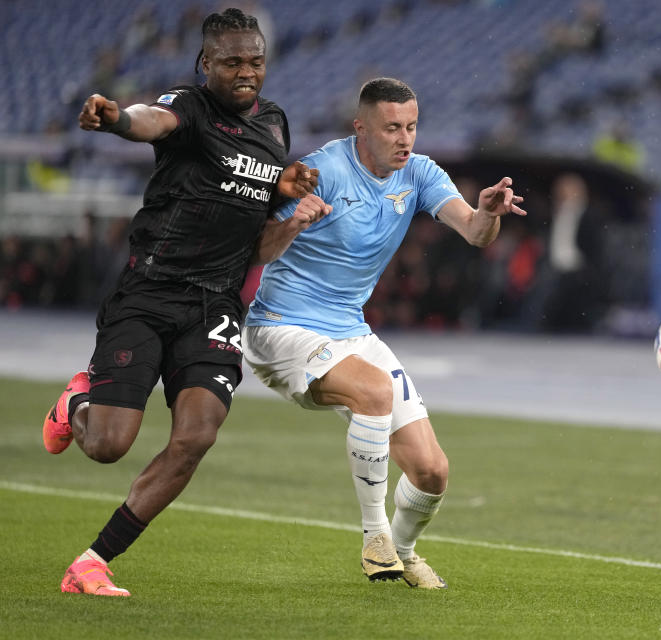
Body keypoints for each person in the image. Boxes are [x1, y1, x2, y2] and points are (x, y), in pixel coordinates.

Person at [41, 7, 327, 598]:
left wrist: (290, 208)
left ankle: (93, 561)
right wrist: (118, 117)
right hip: (149, 294)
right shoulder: (190, 108)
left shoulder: (274, 125)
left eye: (255, 61)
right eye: (231, 62)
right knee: (108, 446)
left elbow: (259, 236)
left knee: (197, 435)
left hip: (216, 304)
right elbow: (153, 121)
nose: (245, 72)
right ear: (206, 65)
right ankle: (78, 405)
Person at [242, 77, 526, 589]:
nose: (405, 138)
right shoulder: (323, 169)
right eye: (392, 127)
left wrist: (487, 213)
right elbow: (257, 251)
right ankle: (375, 538)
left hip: (350, 330)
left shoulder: (418, 173)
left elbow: (475, 233)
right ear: (361, 129)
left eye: (412, 126)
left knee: (432, 472)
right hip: (282, 327)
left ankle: (403, 549)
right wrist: (293, 222)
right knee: (374, 390)